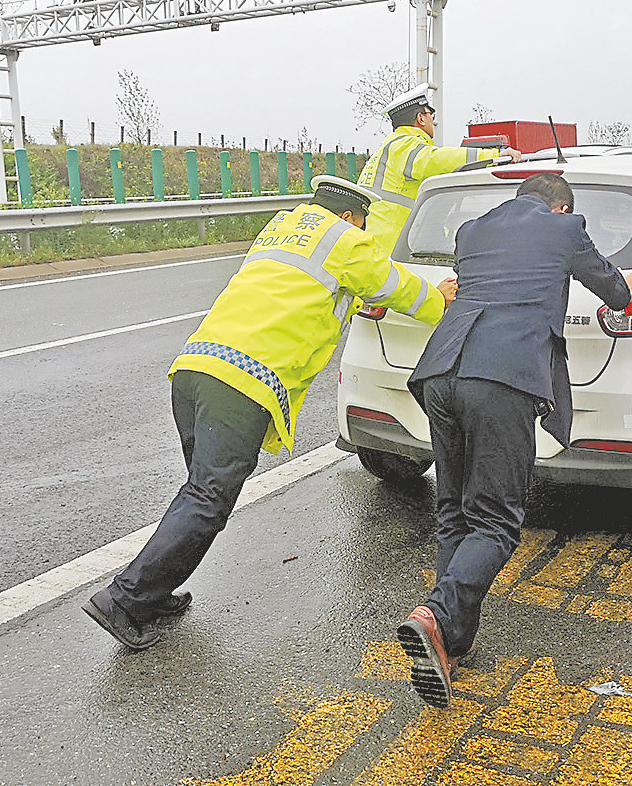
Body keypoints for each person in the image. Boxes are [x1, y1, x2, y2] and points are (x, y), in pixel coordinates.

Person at [83, 176, 455, 650]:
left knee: (198, 494)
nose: (365, 235)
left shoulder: (283, 229)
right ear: (348, 217)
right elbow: (395, 284)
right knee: (207, 499)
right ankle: (125, 600)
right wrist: (439, 299)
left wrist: (359, 300)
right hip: (241, 384)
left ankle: (153, 592)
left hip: (195, 369)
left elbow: (304, 291)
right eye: (364, 225)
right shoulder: (346, 240)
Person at [395, 173, 632, 708]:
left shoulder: (471, 231)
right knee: (496, 521)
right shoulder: (566, 230)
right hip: (503, 378)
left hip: (442, 371)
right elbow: (617, 292)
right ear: (562, 210)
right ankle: (436, 615)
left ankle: (450, 645)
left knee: (455, 511)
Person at [357, 84, 523, 255]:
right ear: (420, 118)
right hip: (390, 247)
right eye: (431, 114)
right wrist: (494, 155)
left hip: (381, 244)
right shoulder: (404, 146)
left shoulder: (390, 146)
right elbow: (438, 159)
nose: (433, 120)